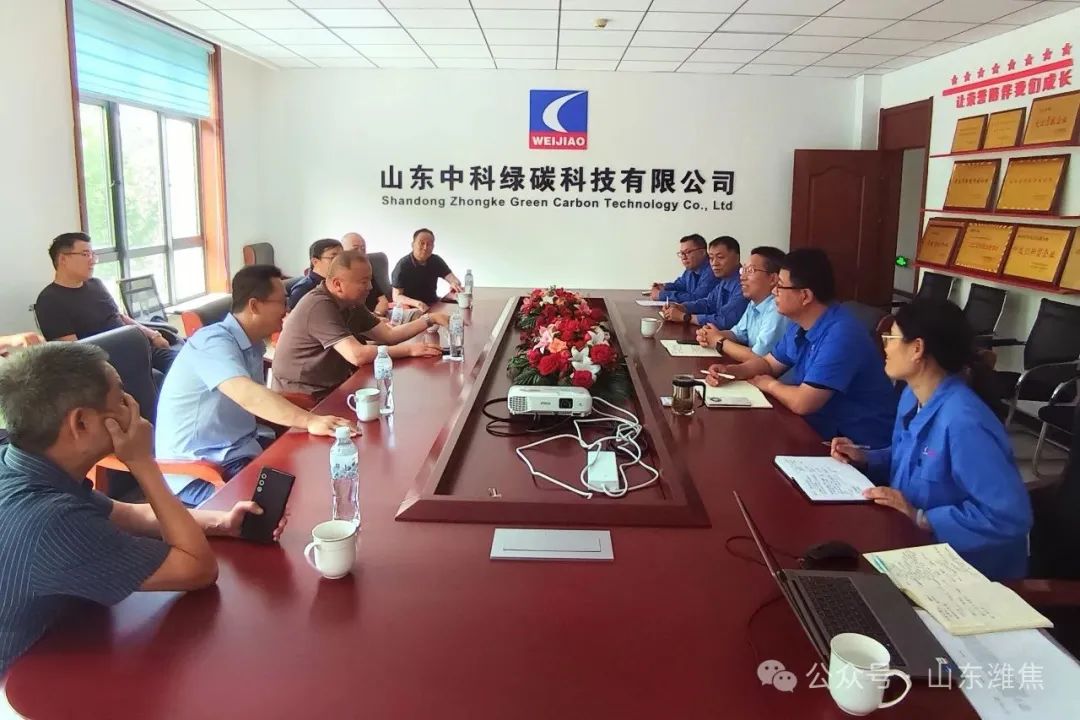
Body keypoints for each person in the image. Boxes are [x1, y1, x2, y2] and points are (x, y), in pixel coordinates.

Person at [0, 343, 287, 676]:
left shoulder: (21, 465)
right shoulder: (52, 522)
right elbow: (198, 569)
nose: (133, 405)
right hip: (23, 681)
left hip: (70, 637)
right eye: (121, 398)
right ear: (81, 423)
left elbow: (127, 515)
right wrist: (142, 462)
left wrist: (221, 522)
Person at [831, 299, 1032, 581]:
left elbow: (1008, 517)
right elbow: (910, 457)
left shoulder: (964, 422)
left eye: (891, 338)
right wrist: (866, 458)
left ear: (917, 348)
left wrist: (922, 518)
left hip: (967, 571)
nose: (885, 347)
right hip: (911, 543)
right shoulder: (912, 396)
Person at [156, 265, 356, 506]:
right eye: (282, 302)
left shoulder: (252, 344)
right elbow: (248, 395)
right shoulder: (212, 342)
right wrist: (310, 420)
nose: (287, 310)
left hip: (241, 450)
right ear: (254, 306)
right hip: (202, 470)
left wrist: (313, 416)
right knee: (279, 510)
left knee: (321, 473)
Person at [705, 248, 896, 447]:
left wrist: (769, 385)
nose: (774, 292)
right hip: (816, 429)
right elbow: (769, 364)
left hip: (853, 446)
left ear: (805, 296)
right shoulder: (799, 323)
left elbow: (803, 402)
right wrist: (732, 371)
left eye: (780, 286)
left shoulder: (841, 334)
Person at [273, 251, 449, 398]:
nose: (370, 287)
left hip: (333, 385)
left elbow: (389, 335)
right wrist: (409, 350)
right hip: (302, 394)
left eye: (370, 280)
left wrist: (429, 319)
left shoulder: (352, 303)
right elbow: (357, 355)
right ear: (338, 284)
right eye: (363, 282)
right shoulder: (319, 305)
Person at [35, 232, 180, 374]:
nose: (92, 260)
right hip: (107, 364)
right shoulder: (50, 300)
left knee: (184, 364)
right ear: (63, 259)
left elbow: (119, 316)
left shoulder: (96, 284)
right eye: (85, 254)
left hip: (139, 348)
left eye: (93, 254)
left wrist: (153, 335)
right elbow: (74, 351)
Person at [695, 246, 789, 360]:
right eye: (743, 270)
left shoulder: (777, 309)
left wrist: (719, 340)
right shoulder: (754, 303)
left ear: (773, 279)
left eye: (750, 271)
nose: (742, 277)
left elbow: (759, 357)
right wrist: (709, 335)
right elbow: (737, 334)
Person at [662, 236, 748, 329]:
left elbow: (725, 321)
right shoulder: (725, 280)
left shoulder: (744, 284)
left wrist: (685, 317)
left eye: (720, 257)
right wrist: (682, 307)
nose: (714, 263)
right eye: (711, 258)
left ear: (736, 258)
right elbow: (708, 304)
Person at [391, 228, 462, 311]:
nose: (425, 247)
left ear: (433, 247)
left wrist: (454, 283)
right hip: (411, 308)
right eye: (422, 243)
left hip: (432, 303)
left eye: (429, 244)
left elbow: (452, 278)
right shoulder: (403, 265)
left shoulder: (436, 260)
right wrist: (417, 303)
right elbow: (396, 296)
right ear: (413, 245)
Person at [649, 234, 717, 303]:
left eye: (688, 252)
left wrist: (661, 295)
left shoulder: (713, 270)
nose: (684, 257)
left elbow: (697, 298)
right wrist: (664, 287)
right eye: (682, 253)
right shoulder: (690, 269)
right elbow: (680, 285)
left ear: (703, 252)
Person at [341, 232, 390, 316]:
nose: (360, 252)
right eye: (355, 249)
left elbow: (383, 300)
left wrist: (377, 315)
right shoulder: (341, 277)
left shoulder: (366, 270)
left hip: (379, 316)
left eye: (363, 248)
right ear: (342, 252)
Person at [287, 238, 342, 311]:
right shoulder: (302, 290)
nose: (340, 262)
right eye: (333, 258)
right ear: (315, 262)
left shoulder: (340, 283)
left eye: (342, 258)